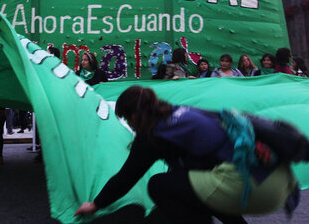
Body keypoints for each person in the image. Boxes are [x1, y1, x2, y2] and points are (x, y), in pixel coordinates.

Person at [75, 86, 297, 224]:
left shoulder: (153, 134)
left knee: (159, 184)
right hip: (281, 182)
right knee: (194, 184)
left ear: (134, 115)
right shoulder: (182, 113)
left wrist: (95, 204)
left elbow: (126, 177)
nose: (129, 125)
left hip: (254, 187)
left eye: (127, 118)